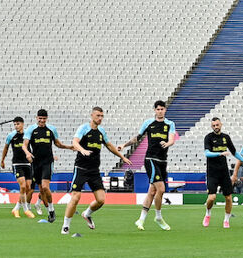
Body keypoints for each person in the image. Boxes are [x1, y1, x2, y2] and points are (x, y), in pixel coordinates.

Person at [61, 107, 131, 235]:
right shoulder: (84, 128)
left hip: (94, 171)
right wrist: (82, 150)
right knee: (76, 197)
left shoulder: (101, 132)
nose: (100, 118)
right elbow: (75, 142)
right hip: (81, 168)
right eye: (98, 115)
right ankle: (66, 226)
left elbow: (109, 145)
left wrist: (122, 157)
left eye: (102, 116)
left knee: (101, 200)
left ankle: (87, 214)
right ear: (92, 115)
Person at [118, 100, 176, 231]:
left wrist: (168, 143)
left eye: (162, 109)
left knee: (152, 191)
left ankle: (141, 219)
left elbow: (171, 138)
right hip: (150, 159)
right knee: (161, 189)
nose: (160, 111)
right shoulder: (148, 123)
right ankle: (158, 217)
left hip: (163, 161)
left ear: (165, 110)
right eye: (158, 109)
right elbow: (137, 138)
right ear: (155, 110)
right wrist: (124, 145)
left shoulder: (170, 124)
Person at [22, 109, 73, 223]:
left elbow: (58, 144)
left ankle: (51, 210)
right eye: (40, 118)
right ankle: (46, 208)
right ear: (36, 118)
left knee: (45, 187)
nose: (42, 120)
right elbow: (24, 145)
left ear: (47, 119)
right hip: (36, 163)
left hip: (47, 162)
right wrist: (28, 153)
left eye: (44, 118)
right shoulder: (31, 129)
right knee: (41, 190)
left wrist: (69, 147)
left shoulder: (51, 129)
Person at [202, 117, 243, 228]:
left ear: (221, 124)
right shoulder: (208, 137)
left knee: (228, 198)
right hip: (212, 172)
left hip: (224, 172)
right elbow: (207, 153)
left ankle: (226, 220)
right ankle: (208, 214)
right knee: (211, 198)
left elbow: (235, 153)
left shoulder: (226, 137)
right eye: (213, 125)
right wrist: (219, 153)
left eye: (217, 125)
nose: (216, 127)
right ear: (211, 126)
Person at [0, 116, 35, 219]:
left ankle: (16, 209)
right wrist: (2, 160)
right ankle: (26, 210)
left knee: (28, 188)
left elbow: (33, 147)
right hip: (17, 164)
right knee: (23, 186)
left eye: (18, 124)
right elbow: (5, 148)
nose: (16, 126)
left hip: (28, 164)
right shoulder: (11, 136)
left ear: (23, 124)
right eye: (14, 124)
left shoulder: (28, 135)